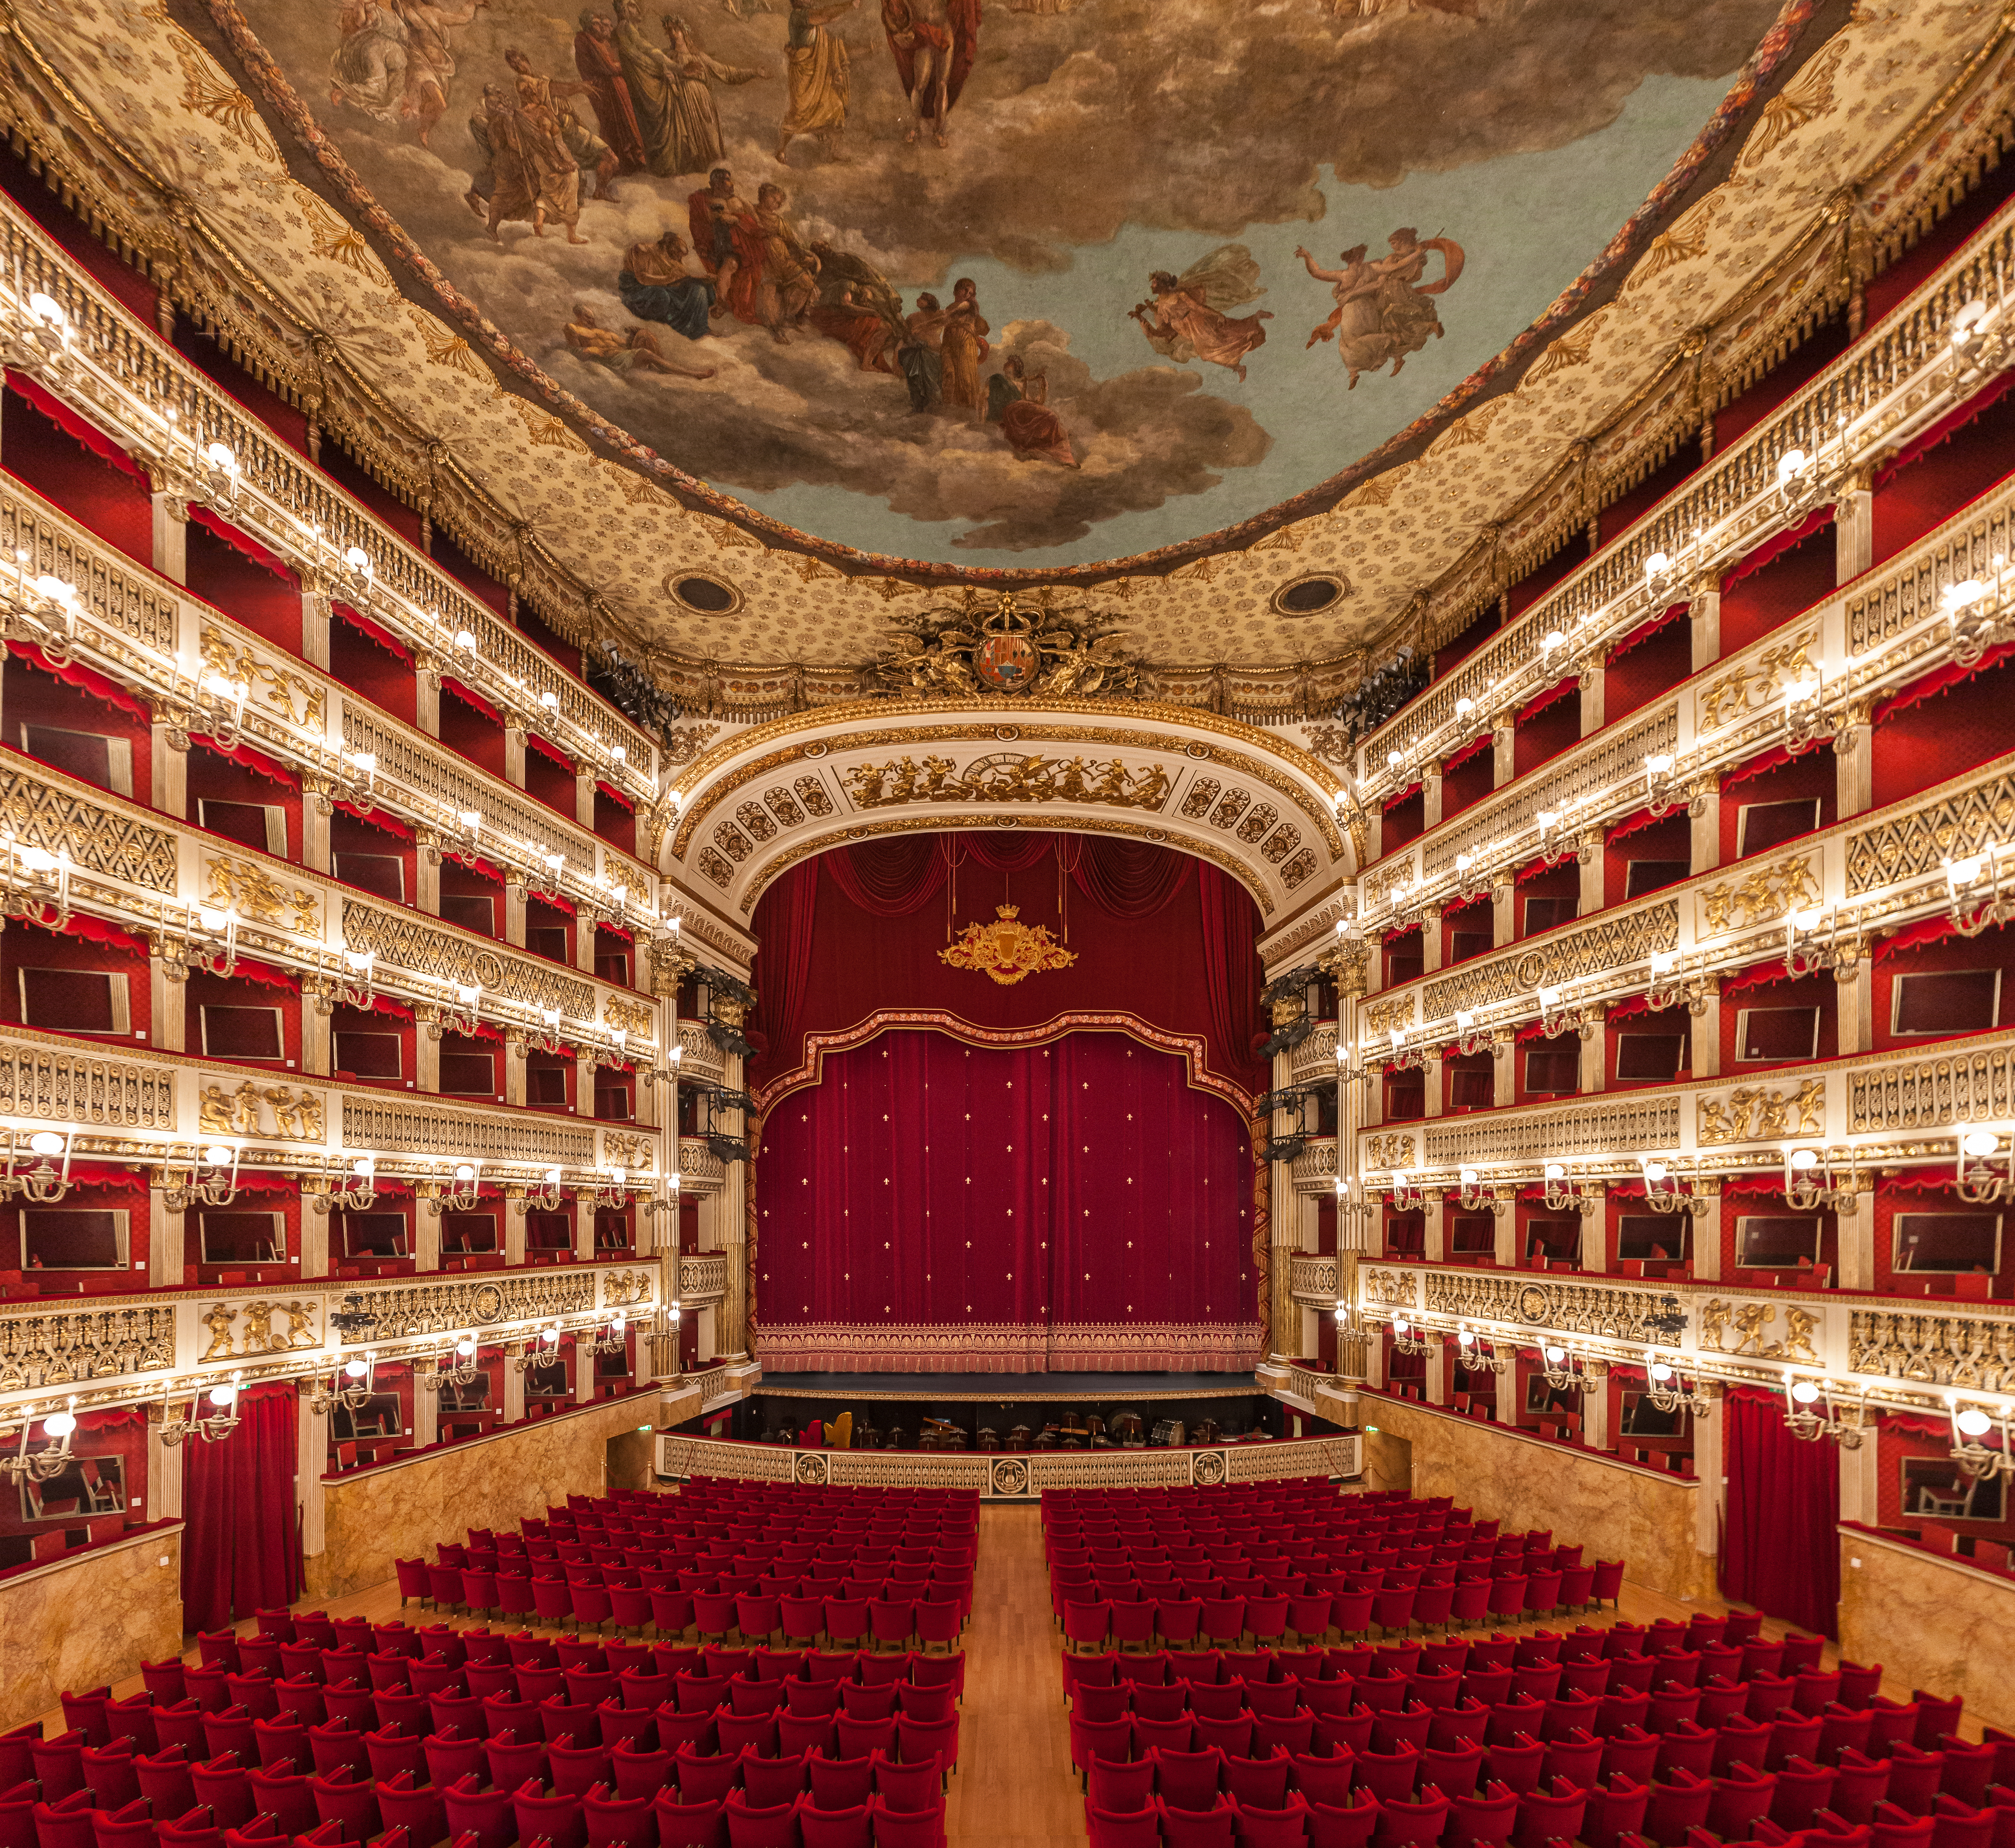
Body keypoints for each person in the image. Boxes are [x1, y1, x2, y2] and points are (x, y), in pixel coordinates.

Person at [1129, 248, 1271, 382]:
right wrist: (1141, 317)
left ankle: (1240, 362)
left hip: (1197, 322)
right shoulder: (1158, 303)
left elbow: (1197, 307)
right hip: (1186, 330)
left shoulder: (1179, 294)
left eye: (1154, 283)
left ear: (1162, 283)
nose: (1152, 286)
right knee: (1223, 337)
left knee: (1216, 345)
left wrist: (1216, 314)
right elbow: (1164, 323)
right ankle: (1253, 324)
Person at [505, 47, 619, 203]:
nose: (519, 67)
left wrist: (580, 122)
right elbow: (554, 89)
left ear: (526, 60)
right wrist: (578, 87)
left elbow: (563, 103)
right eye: (514, 65)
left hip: (574, 130)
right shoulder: (523, 82)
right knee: (575, 173)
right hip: (559, 136)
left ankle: (600, 191)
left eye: (519, 62)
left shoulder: (541, 79)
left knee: (611, 159)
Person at [880, 0, 978, 147]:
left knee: (942, 84)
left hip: (944, 31)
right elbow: (892, 8)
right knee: (920, 85)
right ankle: (916, 128)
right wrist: (901, 31)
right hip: (924, 36)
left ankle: (939, 132)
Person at [776, 0, 857, 161]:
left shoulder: (809, 16)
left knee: (836, 107)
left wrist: (843, 10)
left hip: (819, 72)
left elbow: (830, 18)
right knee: (799, 113)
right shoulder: (798, 16)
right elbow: (824, 16)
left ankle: (833, 151)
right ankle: (781, 150)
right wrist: (849, 5)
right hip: (804, 73)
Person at [687, 166, 765, 321]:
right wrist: (718, 219)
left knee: (743, 269)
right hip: (722, 240)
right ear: (716, 183)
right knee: (731, 264)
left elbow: (757, 224)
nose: (732, 184)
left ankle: (730, 302)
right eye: (728, 180)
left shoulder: (741, 201)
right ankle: (721, 302)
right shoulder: (705, 200)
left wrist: (737, 220)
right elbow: (699, 223)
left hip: (745, 243)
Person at [573, 9, 646, 171]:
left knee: (623, 122)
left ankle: (630, 160)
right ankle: (621, 162)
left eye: (602, 24)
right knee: (614, 124)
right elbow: (608, 67)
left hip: (612, 88)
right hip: (605, 90)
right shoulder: (585, 40)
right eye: (596, 23)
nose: (600, 27)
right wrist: (626, 67)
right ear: (588, 24)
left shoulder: (600, 41)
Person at [565, 302, 717, 377]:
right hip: (611, 359)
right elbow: (574, 351)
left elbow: (625, 344)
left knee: (645, 334)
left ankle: (662, 366)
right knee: (645, 353)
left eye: (592, 318)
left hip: (623, 354)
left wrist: (634, 335)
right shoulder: (573, 328)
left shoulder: (604, 332)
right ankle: (693, 374)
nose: (591, 321)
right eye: (588, 317)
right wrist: (591, 350)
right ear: (578, 315)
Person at [749, 182, 820, 339]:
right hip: (762, 260)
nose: (778, 204)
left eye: (780, 202)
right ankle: (775, 328)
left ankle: (788, 317)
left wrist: (805, 255)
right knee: (769, 289)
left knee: (808, 284)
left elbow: (792, 243)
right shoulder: (751, 211)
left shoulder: (779, 221)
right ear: (764, 196)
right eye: (775, 199)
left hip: (784, 260)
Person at [619, 230, 718, 338]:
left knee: (699, 289)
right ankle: (676, 324)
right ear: (667, 246)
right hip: (638, 291)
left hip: (662, 288)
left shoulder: (672, 260)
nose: (679, 259)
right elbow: (643, 279)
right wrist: (669, 279)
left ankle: (701, 329)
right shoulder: (643, 250)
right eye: (677, 254)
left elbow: (682, 278)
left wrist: (702, 279)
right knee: (662, 296)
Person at [986, 354, 1076, 465]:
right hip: (1011, 412)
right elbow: (986, 396)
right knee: (1050, 417)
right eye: (1008, 362)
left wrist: (1044, 388)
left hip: (1021, 409)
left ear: (1015, 368)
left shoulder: (1020, 383)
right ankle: (1059, 453)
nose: (1006, 364)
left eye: (1011, 363)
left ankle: (1062, 454)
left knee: (1051, 417)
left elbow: (1034, 401)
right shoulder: (998, 379)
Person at [938, 275, 988, 413]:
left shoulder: (971, 307)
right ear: (956, 291)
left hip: (966, 342)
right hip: (949, 343)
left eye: (971, 292)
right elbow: (944, 322)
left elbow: (983, 328)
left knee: (966, 376)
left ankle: (968, 409)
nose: (967, 294)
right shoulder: (949, 308)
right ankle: (949, 406)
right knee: (948, 373)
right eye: (965, 290)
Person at [899, 291, 947, 410]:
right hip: (916, 352)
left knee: (934, 381)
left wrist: (923, 329)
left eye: (923, 298)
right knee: (915, 380)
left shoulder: (939, 315)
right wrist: (913, 344)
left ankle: (933, 404)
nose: (918, 299)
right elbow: (905, 336)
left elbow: (949, 319)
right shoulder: (911, 318)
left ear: (930, 302)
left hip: (934, 353)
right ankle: (918, 405)